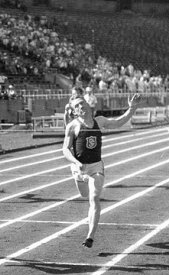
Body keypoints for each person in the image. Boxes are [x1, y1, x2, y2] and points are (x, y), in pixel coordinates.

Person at [62, 93, 141, 248]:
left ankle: (90, 236)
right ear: (75, 112)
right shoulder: (73, 126)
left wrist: (132, 108)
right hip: (79, 168)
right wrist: (76, 162)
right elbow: (65, 149)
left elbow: (119, 122)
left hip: (96, 166)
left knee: (94, 197)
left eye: (82, 103)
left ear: (88, 105)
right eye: (76, 106)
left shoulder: (100, 121)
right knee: (84, 194)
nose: (80, 106)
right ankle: (80, 179)